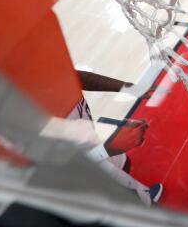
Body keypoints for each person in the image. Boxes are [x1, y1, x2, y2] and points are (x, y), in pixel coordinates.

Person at [69, 70, 162, 206]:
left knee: (123, 162)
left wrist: (130, 88)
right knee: (142, 205)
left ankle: (137, 193)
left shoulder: (46, 63)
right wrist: (106, 150)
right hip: (77, 165)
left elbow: (73, 76)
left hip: (86, 141)